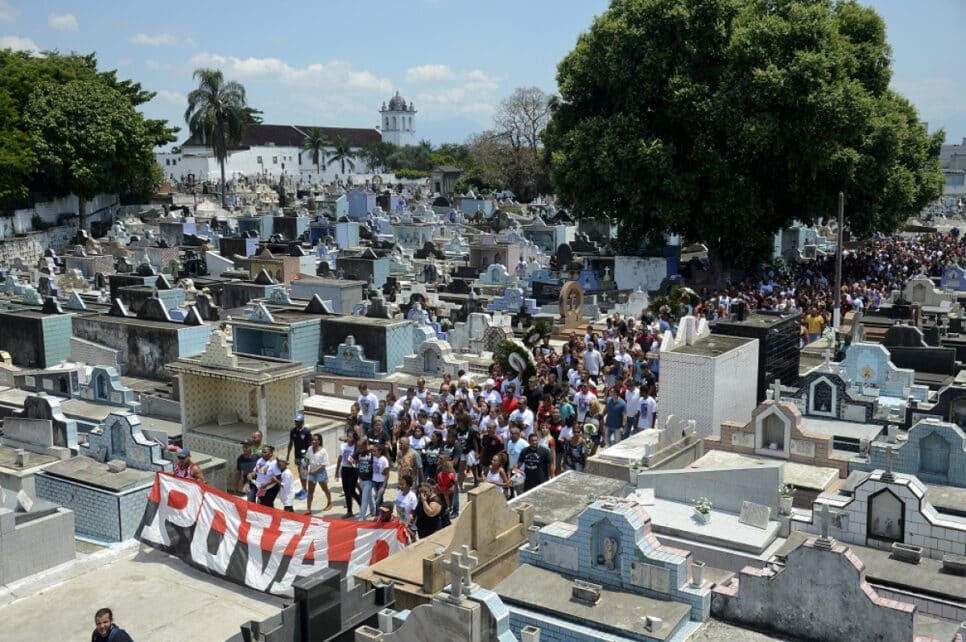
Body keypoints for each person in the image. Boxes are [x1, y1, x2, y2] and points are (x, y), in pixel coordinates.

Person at [287, 412, 313, 500]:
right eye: (296, 421)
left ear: (302, 422)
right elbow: (291, 443)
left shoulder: (306, 432)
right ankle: (303, 489)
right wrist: (288, 454)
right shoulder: (293, 431)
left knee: (304, 474)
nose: (296, 423)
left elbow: (311, 445)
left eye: (298, 422)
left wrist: (308, 457)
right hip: (297, 456)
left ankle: (305, 491)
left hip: (305, 457)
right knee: (300, 473)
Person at [304, 434, 332, 513]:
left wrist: (315, 471)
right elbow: (307, 457)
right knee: (310, 491)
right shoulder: (309, 448)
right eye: (312, 440)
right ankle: (308, 509)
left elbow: (324, 464)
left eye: (315, 440)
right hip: (311, 472)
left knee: (325, 489)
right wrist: (306, 462)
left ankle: (329, 503)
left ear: (319, 441)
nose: (313, 441)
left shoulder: (323, 451)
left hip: (320, 473)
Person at [335, 431, 360, 518]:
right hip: (344, 469)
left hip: (353, 470)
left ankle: (361, 505)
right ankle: (349, 511)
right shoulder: (343, 446)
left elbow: (357, 458)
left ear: (354, 438)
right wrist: (337, 471)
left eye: (350, 437)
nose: (348, 438)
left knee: (352, 491)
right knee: (346, 491)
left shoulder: (356, 447)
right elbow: (340, 458)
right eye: (348, 436)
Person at [354, 437, 374, 521]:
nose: (358, 449)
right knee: (369, 496)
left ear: (366, 446)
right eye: (357, 447)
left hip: (369, 480)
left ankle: (361, 517)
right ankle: (373, 510)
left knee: (364, 498)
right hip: (361, 479)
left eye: (360, 447)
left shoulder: (371, 454)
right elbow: (352, 460)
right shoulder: (358, 454)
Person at [371, 443, 391, 511]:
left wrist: (383, 487)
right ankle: (381, 512)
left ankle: (377, 513)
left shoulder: (384, 460)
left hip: (381, 482)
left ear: (380, 451)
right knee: (380, 498)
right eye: (372, 451)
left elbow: (387, 474)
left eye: (375, 451)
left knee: (378, 499)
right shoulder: (373, 458)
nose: (373, 452)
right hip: (374, 481)